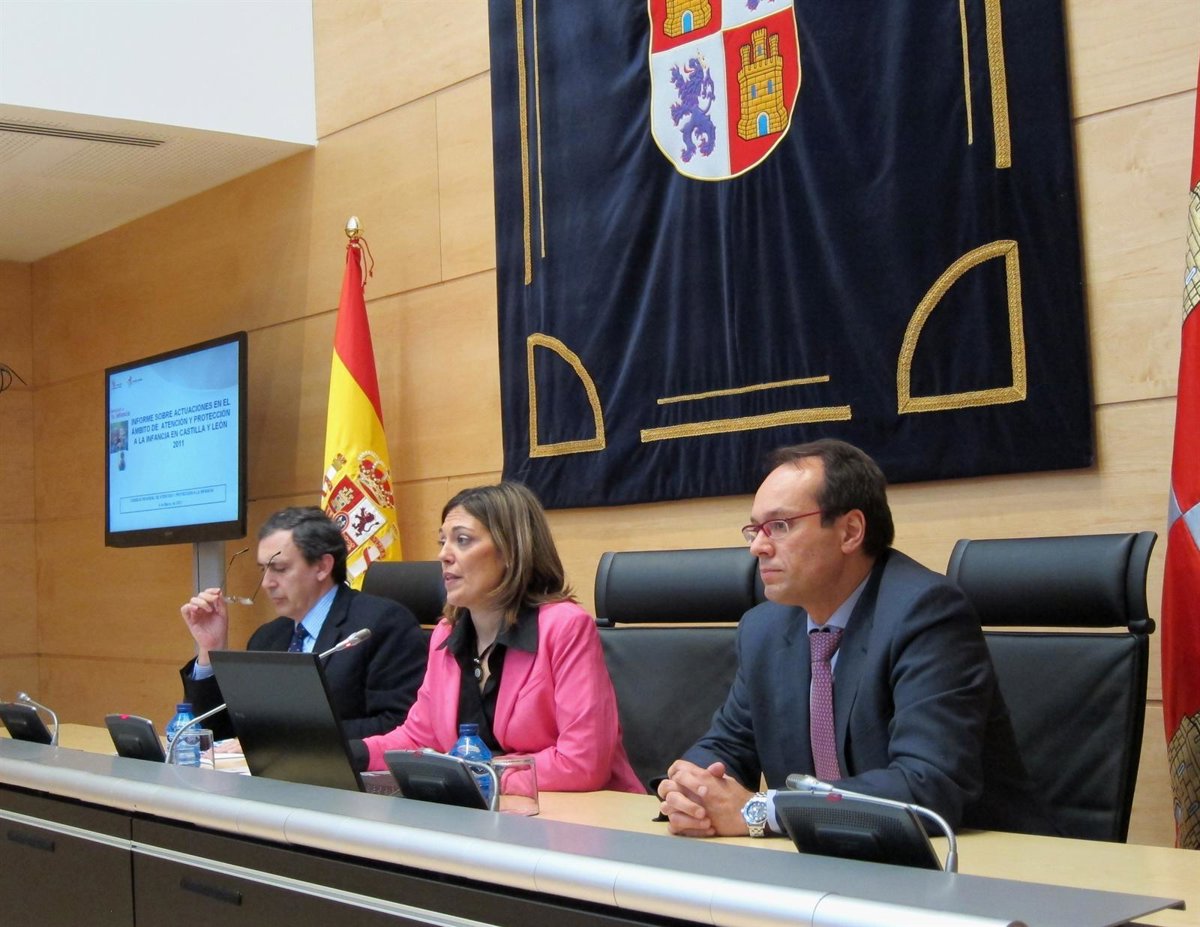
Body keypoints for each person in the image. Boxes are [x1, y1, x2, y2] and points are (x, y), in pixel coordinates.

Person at [657, 439, 1055, 837]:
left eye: (779, 526)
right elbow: (726, 746)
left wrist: (761, 812)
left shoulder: (926, 613)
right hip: (827, 858)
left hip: (973, 859)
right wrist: (691, 790)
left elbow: (927, 785)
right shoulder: (764, 629)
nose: (758, 547)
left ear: (850, 531)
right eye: (755, 530)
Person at [353, 482, 644, 793]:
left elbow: (582, 763)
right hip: (492, 811)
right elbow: (417, 738)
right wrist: (349, 753)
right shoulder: (447, 635)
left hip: (584, 814)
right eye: (442, 541)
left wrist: (479, 774)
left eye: (462, 540)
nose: (443, 555)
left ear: (510, 552)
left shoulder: (565, 627)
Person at [179, 506, 426, 742]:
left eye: (279, 568)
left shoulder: (379, 627)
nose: (266, 583)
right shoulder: (267, 638)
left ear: (322, 566)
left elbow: (397, 725)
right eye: (263, 570)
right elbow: (217, 733)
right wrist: (210, 649)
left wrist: (283, 738)